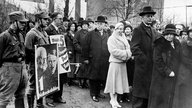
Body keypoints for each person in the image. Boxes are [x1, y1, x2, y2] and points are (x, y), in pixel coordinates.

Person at [130, 6, 158, 108]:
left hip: (151, 67)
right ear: (142, 17)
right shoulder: (138, 30)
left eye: (151, 16)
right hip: (142, 67)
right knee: (139, 94)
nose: (150, 18)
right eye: (148, 16)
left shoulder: (153, 30)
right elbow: (134, 48)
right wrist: (144, 59)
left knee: (147, 93)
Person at [148, 24, 181, 108]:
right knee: (159, 99)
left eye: (172, 34)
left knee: (169, 98)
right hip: (160, 76)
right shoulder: (159, 43)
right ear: (165, 34)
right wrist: (168, 71)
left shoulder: (177, 43)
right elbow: (157, 60)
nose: (170, 36)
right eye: (168, 34)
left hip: (173, 75)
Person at [0, 11, 28, 108]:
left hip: (20, 67)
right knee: (5, 97)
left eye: (25, 23)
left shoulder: (20, 35)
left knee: (20, 95)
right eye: (21, 22)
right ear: (13, 22)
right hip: (9, 69)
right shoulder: (4, 36)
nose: (24, 25)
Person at [25, 11, 50, 108]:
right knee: (32, 86)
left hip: (43, 63)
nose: (47, 21)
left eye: (47, 19)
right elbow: (27, 51)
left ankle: (39, 105)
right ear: (39, 20)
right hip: (34, 64)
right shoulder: (31, 34)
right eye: (45, 19)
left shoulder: (44, 32)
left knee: (41, 84)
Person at [104, 22, 132, 108]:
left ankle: (115, 100)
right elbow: (113, 51)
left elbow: (129, 48)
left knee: (118, 83)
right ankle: (112, 100)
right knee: (113, 82)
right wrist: (126, 54)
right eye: (119, 29)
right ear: (115, 29)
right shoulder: (111, 38)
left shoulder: (123, 37)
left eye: (122, 29)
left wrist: (127, 54)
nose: (121, 31)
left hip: (122, 63)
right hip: (115, 63)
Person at [83, 15, 110, 102]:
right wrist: (86, 58)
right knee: (93, 77)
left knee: (100, 77)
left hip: (103, 60)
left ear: (104, 25)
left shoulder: (107, 34)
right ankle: (93, 94)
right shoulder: (90, 34)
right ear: (96, 24)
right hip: (93, 59)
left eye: (101, 24)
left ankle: (98, 93)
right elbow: (85, 46)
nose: (99, 25)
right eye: (98, 23)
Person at [45, 12, 66, 106]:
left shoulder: (60, 29)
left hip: (60, 56)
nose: (61, 20)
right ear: (54, 19)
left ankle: (58, 96)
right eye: (60, 19)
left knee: (60, 77)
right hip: (52, 56)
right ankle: (49, 98)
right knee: (52, 77)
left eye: (62, 19)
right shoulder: (48, 29)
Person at [173, 29, 192, 108]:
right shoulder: (184, 43)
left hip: (189, 69)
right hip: (185, 71)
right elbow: (183, 58)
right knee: (184, 91)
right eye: (190, 33)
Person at [119, 24, 135, 103]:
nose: (127, 31)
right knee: (123, 78)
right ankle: (121, 96)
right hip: (124, 61)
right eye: (126, 29)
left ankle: (127, 95)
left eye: (129, 29)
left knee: (129, 78)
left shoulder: (133, 39)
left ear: (131, 31)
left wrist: (133, 56)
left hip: (131, 62)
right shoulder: (122, 39)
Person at [75, 20, 90, 88]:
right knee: (80, 67)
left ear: (88, 26)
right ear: (81, 26)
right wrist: (80, 49)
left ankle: (85, 81)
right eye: (83, 25)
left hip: (87, 53)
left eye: (86, 25)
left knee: (86, 67)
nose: (84, 26)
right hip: (80, 53)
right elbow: (75, 42)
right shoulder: (78, 33)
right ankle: (80, 82)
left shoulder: (90, 33)